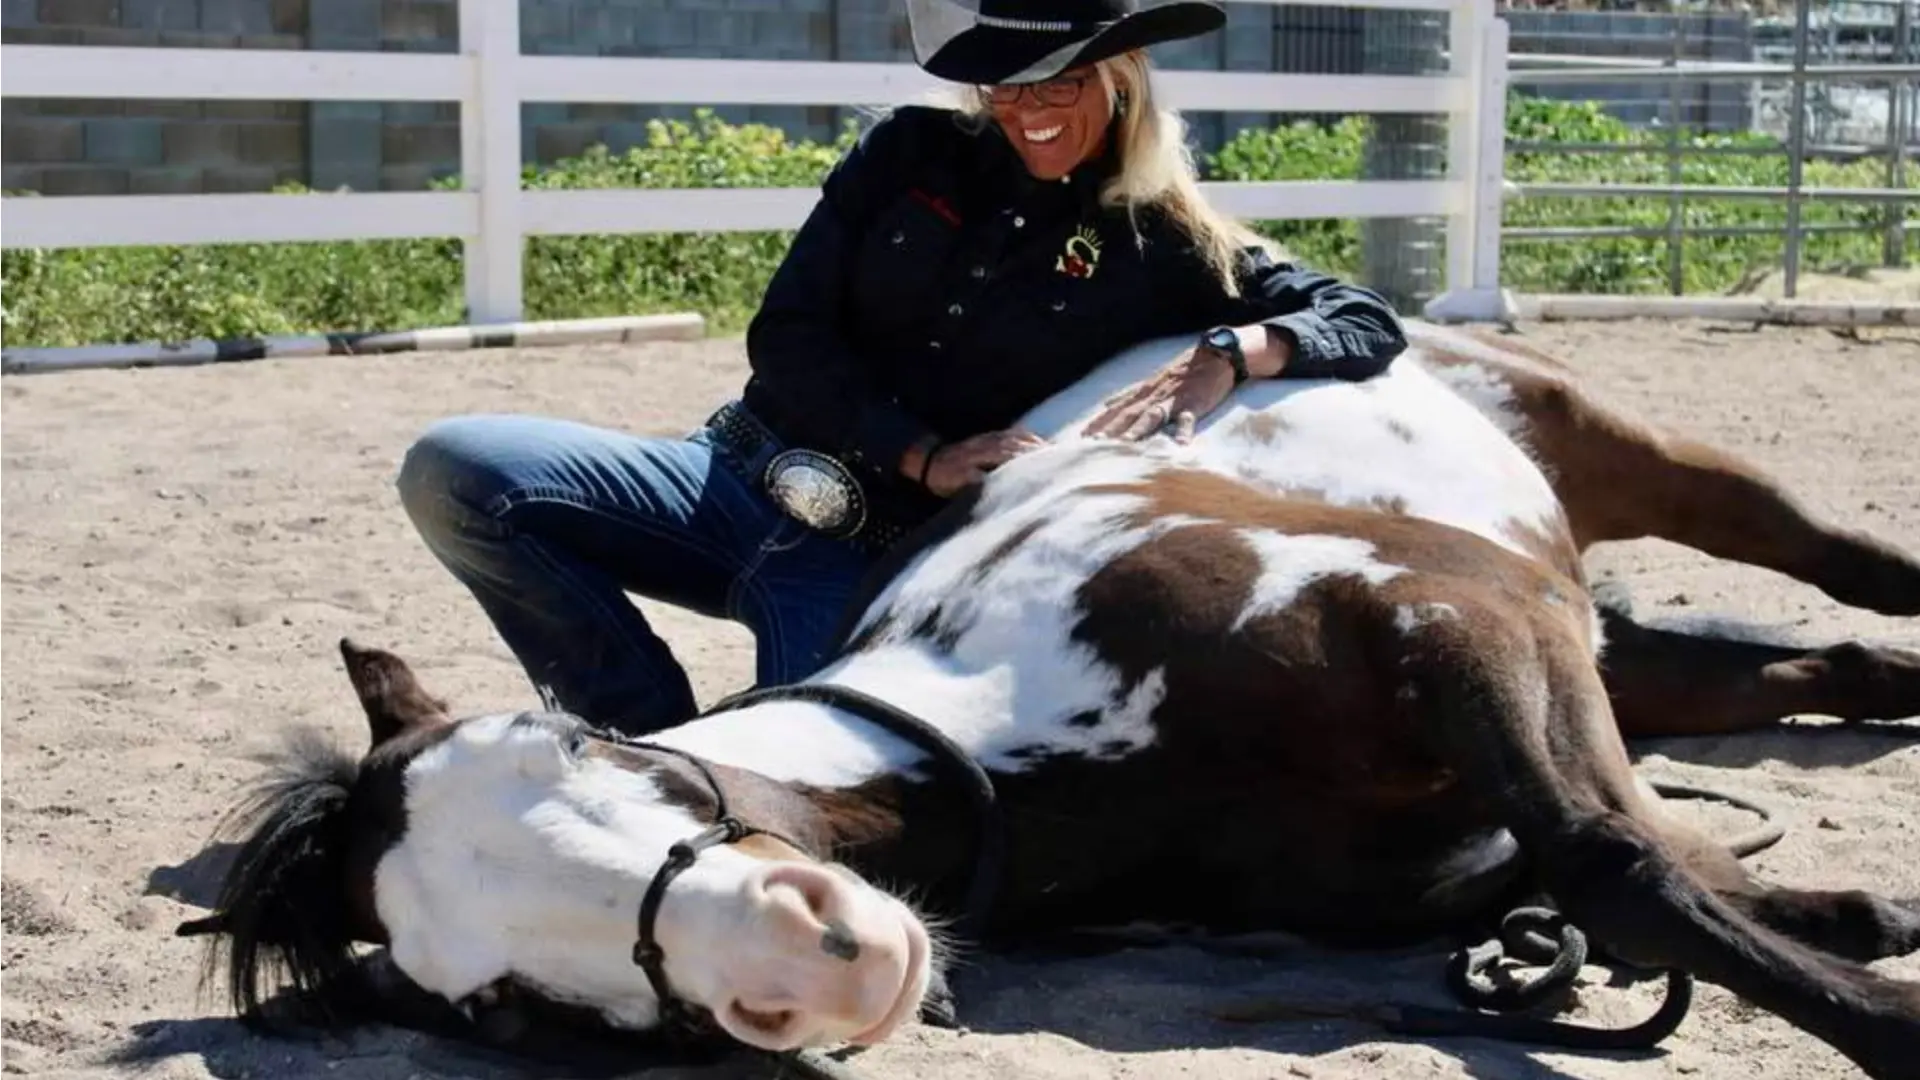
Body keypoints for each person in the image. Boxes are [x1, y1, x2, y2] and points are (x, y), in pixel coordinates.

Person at [395, 0, 1409, 737]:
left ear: (1120, 79)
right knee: (456, 470)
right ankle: (636, 724)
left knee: (796, 779)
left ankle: (693, 759)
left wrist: (1238, 349)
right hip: (733, 480)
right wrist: (921, 453)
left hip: (874, 570)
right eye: (1005, 86)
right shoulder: (910, 153)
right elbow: (784, 336)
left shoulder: (1164, 242)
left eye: (1058, 81)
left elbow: (1359, 315)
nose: (1027, 109)